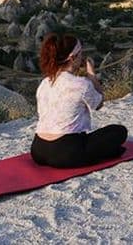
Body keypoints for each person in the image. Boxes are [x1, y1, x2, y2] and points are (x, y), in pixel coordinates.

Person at [31, 33, 128, 168]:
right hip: (66, 152)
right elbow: (99, 103)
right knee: (119, 131)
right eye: (81, 52)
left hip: (38, 150)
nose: (82, 56)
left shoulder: (45, 82)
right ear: (72, 58)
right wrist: (91, 74)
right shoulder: (81, 84)